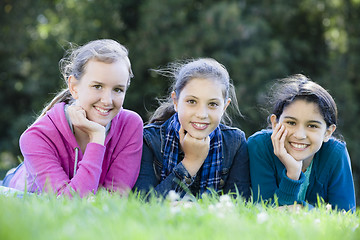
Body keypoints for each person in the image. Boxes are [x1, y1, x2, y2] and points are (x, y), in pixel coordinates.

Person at [1, 39, 143, 197]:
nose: (107, 100)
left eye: (117, 89)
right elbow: (68, 204)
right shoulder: (35, 137)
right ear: (74, 87)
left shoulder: (130, 125)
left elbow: (114, 200)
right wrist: (96, 139)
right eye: (97, 86)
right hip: (17, 192)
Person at [133, 58, 251, 199]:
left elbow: (238, 204)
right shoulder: (149, 139)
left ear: (224, 107)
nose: (201, 114)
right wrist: (190, 162)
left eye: (213, 104)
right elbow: (144, 202)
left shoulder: (235, 143)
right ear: (176, 102)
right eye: (192, 102)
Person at [248, 74, 356, 211]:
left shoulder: (336, 154)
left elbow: (344, 216)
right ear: (275, 123)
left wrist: (302, 209)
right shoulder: (259, 146)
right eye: (291, 123)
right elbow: (265, 212)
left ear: (328, 132)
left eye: (312, 126)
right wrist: (292, 173)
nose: (299, 135)